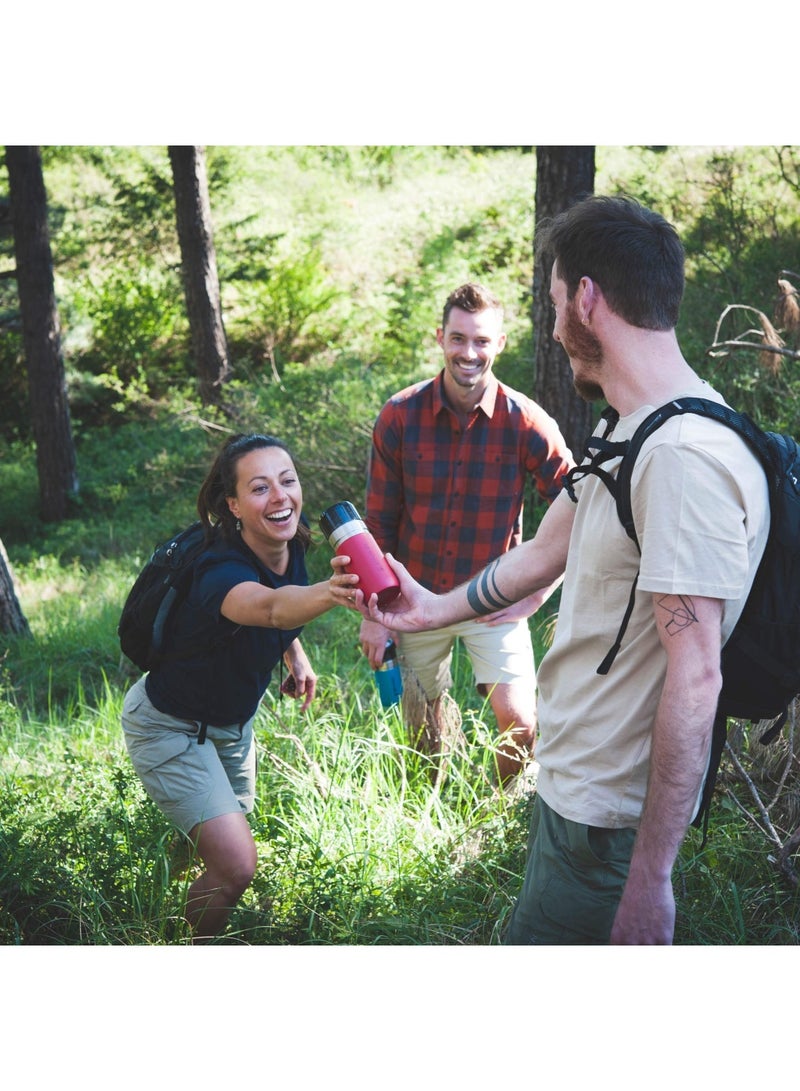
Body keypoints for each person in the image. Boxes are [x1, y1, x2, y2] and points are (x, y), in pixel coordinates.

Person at [362, 196, 771, 944]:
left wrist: (648, 881)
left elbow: (698, 674)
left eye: (555, 304)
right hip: (572, 794)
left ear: (586, 298)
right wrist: (430, 609)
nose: (554, 327)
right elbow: (546, 550)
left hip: (607, 827)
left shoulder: (680, 456)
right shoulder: (626, 426)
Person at [121, 433, 360, 942]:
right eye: (259, 488)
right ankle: (189, 950)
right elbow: (268, 607)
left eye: (287, 481)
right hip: (169, 728)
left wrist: (294, 652)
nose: (280, 497)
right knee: (235, 866)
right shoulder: (217, 567)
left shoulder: (288, 542)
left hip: (231, 728)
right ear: (232, 505)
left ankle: (162, 901)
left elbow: (279, 608)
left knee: (211, 845)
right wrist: (338, 590)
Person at [358, 282, 573, 785]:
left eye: (481, 341)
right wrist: (375, 615)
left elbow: (583, 509)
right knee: (422, 732)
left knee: (520, 725)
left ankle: (492, 823)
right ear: (440, 338)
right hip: (413, 597)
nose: (468, 353)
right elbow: (378, 525)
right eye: (458, 339)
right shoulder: (399, 416)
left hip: (491, 598)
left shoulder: (528, 424)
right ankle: (429, 820)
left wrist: (538, 590)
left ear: (499, 344)